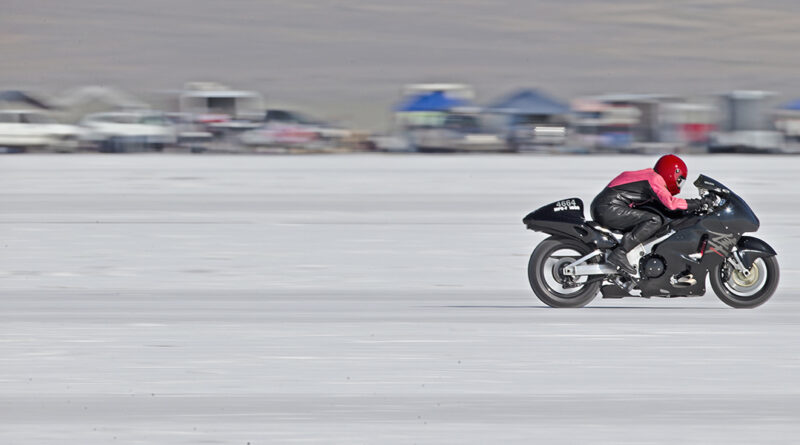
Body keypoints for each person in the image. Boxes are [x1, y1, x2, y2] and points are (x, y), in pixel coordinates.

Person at [590, 154, 712, 275]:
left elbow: (664, 207)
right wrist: (699, 203)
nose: (678, 184)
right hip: (609, 208)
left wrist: (686, 210)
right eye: (679, 179)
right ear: (671, 172)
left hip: (606, 207)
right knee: (654, 220)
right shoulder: (654, 179)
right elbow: (670, 203)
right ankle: (621, 252)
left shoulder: (648, 176)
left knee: (655, 216)